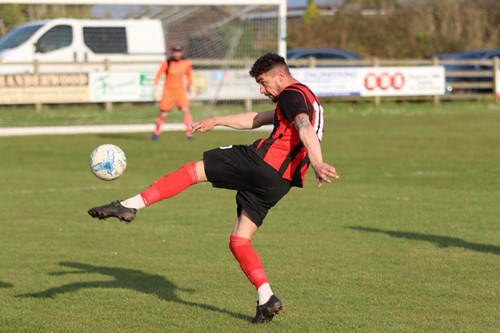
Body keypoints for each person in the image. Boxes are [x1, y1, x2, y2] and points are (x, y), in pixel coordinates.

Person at [88, 53, 339, 324]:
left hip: (263, 163)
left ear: (280, 75)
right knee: (239, 239)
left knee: (191, 171)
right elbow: (259, 117)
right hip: (280, 182)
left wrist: (318, 161)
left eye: (263, 83)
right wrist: (217, 120)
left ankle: (130, 205)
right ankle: (266, 298)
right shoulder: (304, 96)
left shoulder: (291, 94)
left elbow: (303, 126)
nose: (261, 90)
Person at [152, 45, 194, 140]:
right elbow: (158, 75)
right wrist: (156, 87)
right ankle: (157, 131)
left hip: (180, 91)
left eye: (179, 52)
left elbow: (189, 75)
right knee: (164, 114)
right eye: (175, 51)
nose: (177, 54)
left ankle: (189, 132)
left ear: (182, 52)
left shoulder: (186, 63)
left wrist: (191, 87)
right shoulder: (167, 63)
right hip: (168, 91)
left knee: (185, 110)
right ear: (173, 52)